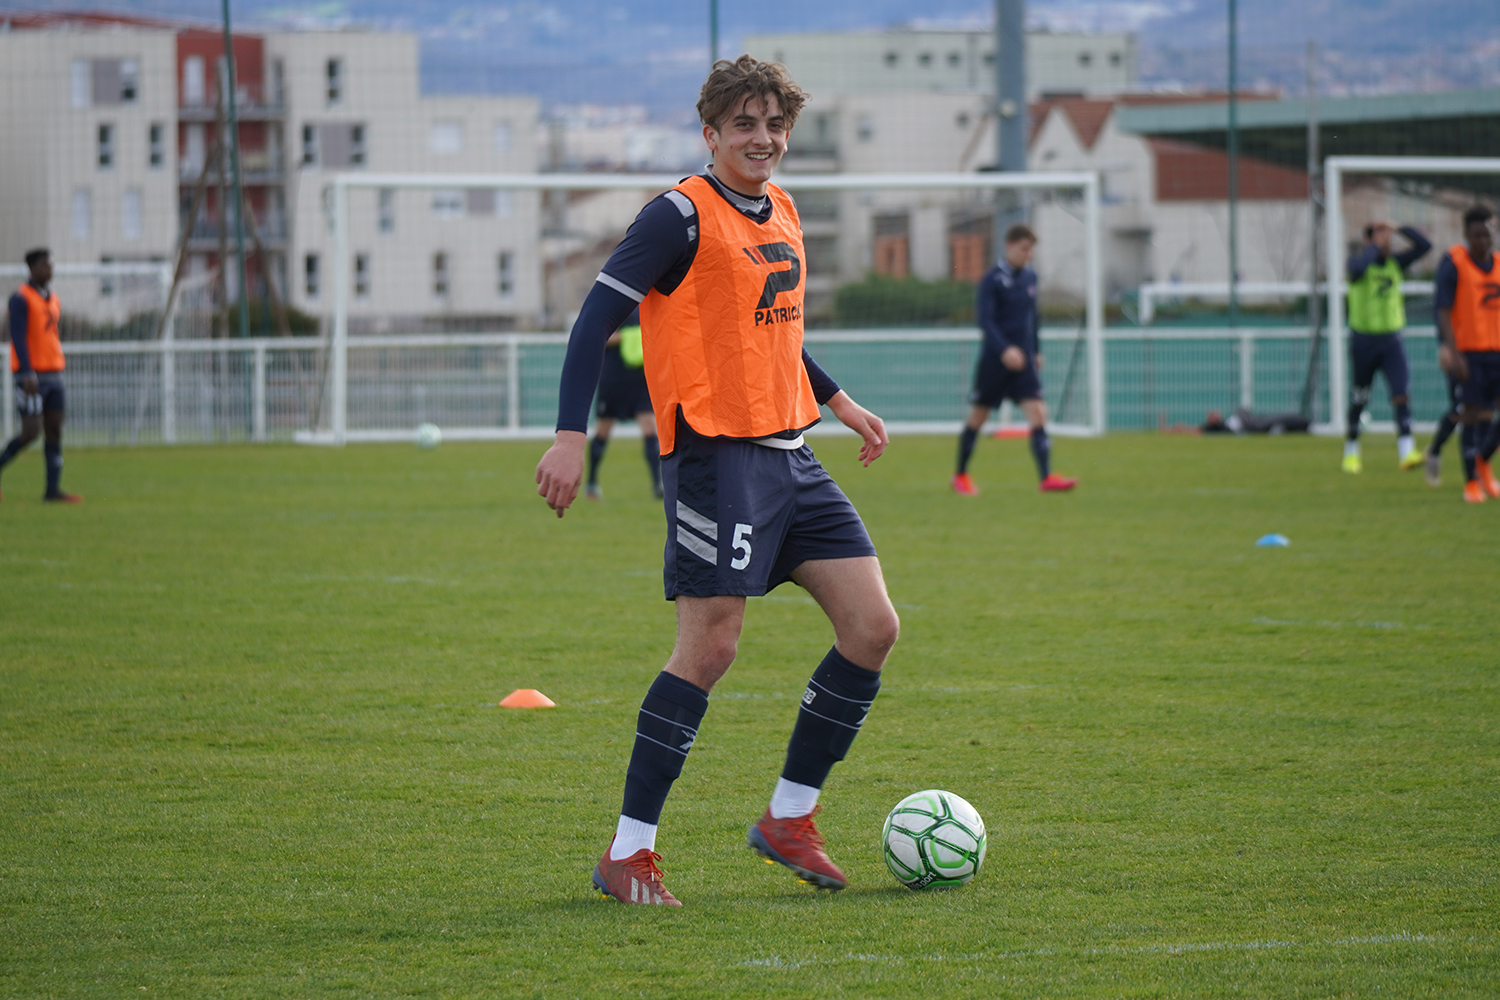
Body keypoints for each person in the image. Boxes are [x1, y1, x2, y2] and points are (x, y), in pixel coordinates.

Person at [534, 56, 900, 906]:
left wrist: (837, 398)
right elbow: (594, 320)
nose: (763, 139)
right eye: (745, 125)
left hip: (792, 456)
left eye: (776, 126)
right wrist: (566, 436)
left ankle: (789, 819)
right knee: (711, 648)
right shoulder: (677, 216)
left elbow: (772, 329)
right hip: (714, 457)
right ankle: (629, 853)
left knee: (872, 627)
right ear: (711, 133)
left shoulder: (783, 208)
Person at [952, 224, 1076, 495]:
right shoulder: (991, 280)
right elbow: (985, 321)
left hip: (1024, 362)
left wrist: (1036, 349)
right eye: (1024, 249)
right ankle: (960, 475)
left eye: (1031, 250)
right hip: (995, 362)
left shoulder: (1030, 278)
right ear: (1009, 246)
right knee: (978, 416)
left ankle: (1046, 477)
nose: (1028, 254)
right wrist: (1004, 350)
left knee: (1038, 412)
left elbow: (1034, 318)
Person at [1341, 220, 1432, 474]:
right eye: (1380, 235)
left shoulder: (1394, 264)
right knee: (1360, 397)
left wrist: (1398, 227)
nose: (1386, 240)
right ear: (1370, 240)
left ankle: (1407, 451)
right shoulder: (1358, 264)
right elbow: (1357, 270)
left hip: (1391, 340)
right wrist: (1373, 246)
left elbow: (1425, 245)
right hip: (1364, 341)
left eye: (1387, 236)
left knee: (1401, 393)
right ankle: (1351, 450)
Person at [1, 248, 81, 504]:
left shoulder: (53, 298)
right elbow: (18, 338)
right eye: (46, 265)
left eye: (52, 265)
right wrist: (26, 371)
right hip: (31, 376)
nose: (50, 270)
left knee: (54, 429)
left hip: (54, 372)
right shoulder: (20, 299)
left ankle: (52, 490)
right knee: (30, 431)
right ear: (33, 268)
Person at [1434, 205, 1500, 503]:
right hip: (1469, 354)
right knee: (1471, 414)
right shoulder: (1454, 264)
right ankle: (1471, 482)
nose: (1483, 241)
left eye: (1487, 235)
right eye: (1476, 236)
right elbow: (1444, 311)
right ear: (1466, 235)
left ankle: (1484, 462)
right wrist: (1452, 350)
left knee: (1490, 415)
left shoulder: (1499, 264)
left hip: (1497, 351)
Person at [585, 309, 663, 500]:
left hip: (639, 377)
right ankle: (592, 482)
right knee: (603, 429)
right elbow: (596, 335)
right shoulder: (610, 303)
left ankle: (658, 484)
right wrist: (628, 336)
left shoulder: (646, 305)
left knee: (649, 427)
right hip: (613, 379)